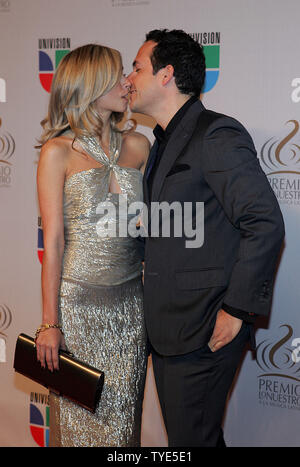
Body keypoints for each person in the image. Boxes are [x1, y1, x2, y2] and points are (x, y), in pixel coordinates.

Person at [127, 29, 285, 447]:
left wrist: (236, 309)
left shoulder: (215, 134)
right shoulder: (160, 143)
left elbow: (264, 221)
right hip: (168, 328)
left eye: (137, 67)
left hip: (203, 330)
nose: (129, 78)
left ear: (166, 75)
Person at [35, 43, 150, 447]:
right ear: (90, 85)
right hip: (78, 308)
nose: (127, 83)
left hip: (132, 309)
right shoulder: (57, 152)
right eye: (117, 76)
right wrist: (50, 324)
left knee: (123, 431)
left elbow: (145, 230)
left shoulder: (139, 147)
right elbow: (53, 241)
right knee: (81, 427)